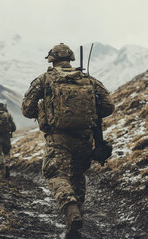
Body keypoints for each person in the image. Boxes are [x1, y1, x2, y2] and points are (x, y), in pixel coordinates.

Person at [21, 43, 115, 238]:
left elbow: (27, 109)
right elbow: (108, 106)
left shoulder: (44, 79)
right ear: (70, 59)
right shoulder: (88, 79)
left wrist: (43, 109)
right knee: (78, 176)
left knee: (56, 174)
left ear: (52, 59)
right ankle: (74, 222)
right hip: (84, 139)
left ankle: (70, 208)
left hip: (58, 139)